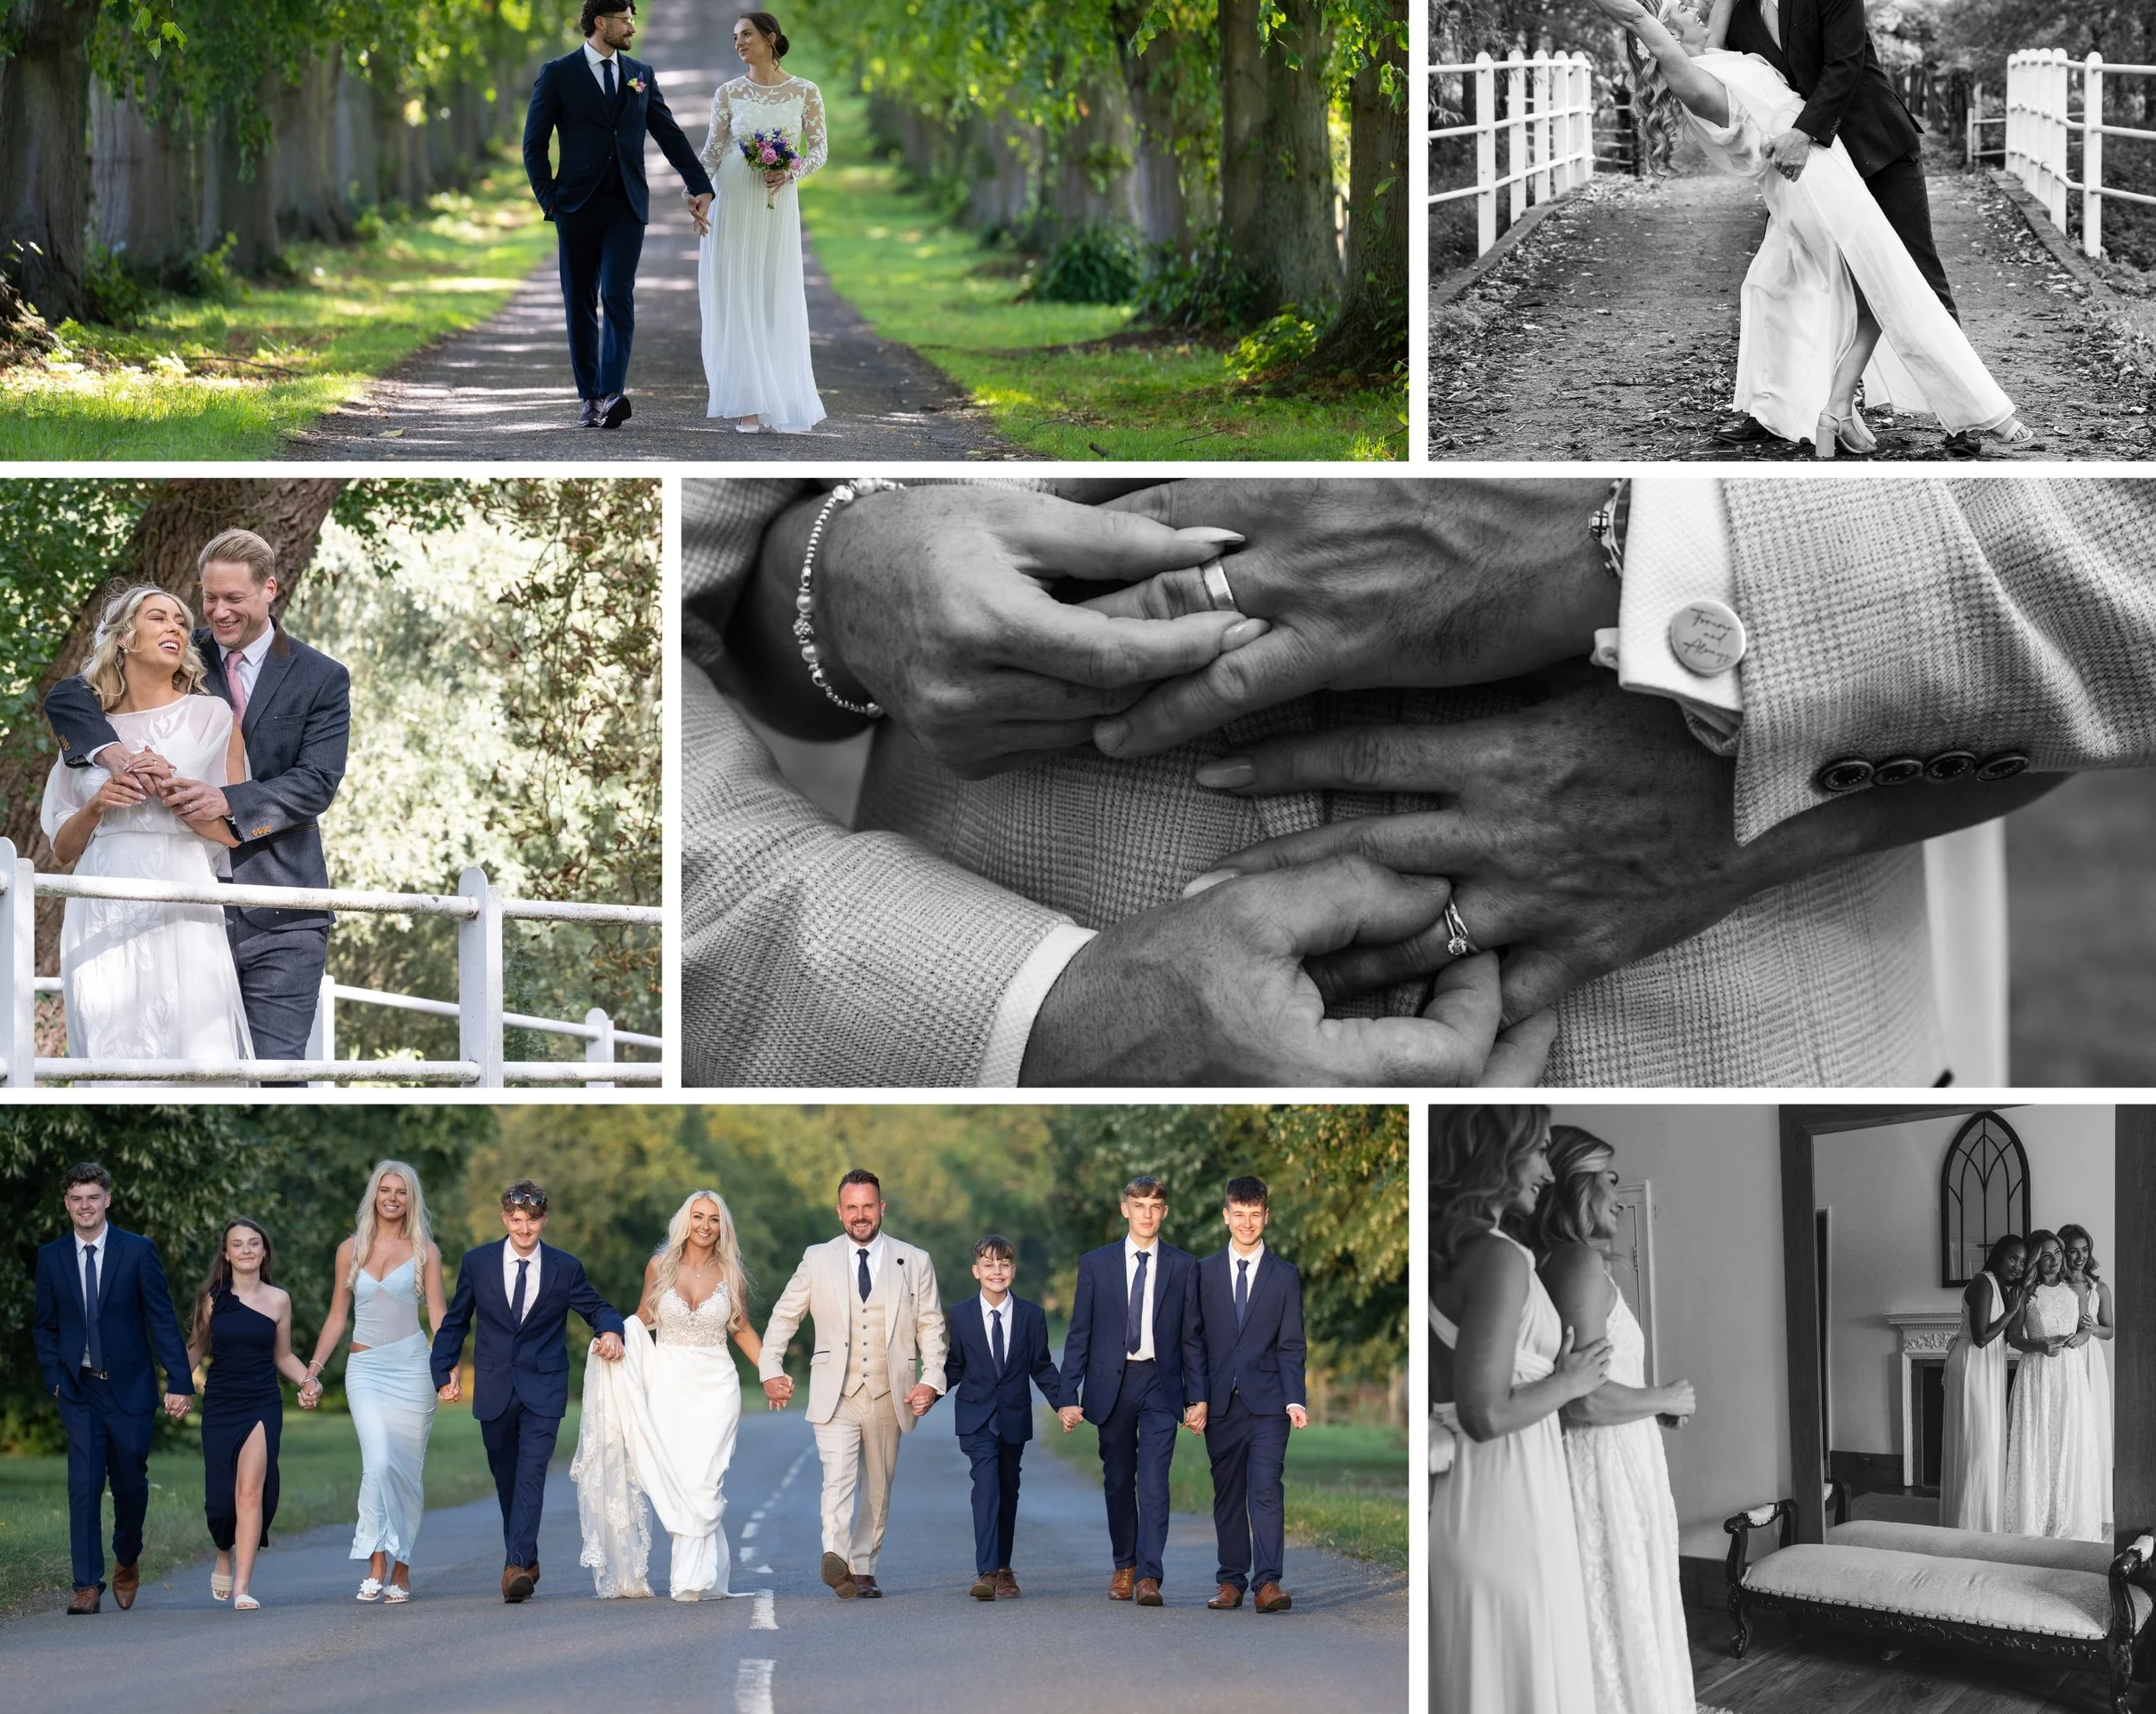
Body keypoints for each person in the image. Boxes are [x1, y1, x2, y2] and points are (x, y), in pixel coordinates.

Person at [681, 476, 2137, 1088]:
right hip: (973, 1030)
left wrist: (1634, 553)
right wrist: (839, 574)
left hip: (1744, 1041)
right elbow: (678, 577)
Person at [1529, 0, 2030, 458]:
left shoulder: (1711, 59)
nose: (1698, 6)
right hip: (1815, 179)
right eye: (1682, 9)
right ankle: (1935, 410)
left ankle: (1833, 409)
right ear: (1665, 35)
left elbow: (1723, 1)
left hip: (1811, 175)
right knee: (1886, 281)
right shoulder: (1690, 78)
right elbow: (1636, 16)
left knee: (1807, 287)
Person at [44, 527, 352, 1080]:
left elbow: (316, 783)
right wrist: (113, 755)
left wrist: (224, 800)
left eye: (233, 598)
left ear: (269, 590)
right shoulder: (180, 653)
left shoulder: (321, 677)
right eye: (210, 598)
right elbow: (69, 696)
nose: (218, 612)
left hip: (277, 905)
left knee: (274, 1078)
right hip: (176, 904)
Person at [1682, 0, 1986, 453]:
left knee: (1917, 272)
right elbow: (1720, 70)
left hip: (1874, 147)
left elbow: (1844, 65)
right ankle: (1773, 410)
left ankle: (1965, 418)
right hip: (1812, 175)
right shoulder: (1741, 8)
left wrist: (1804, 133)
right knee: (1782, 282)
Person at [1430, 1106, 1606, 1714]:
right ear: (1496, 1151)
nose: (1548, 1173)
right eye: (1538, 1150)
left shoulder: (1454, 1253)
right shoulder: (1497, 1258)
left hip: (1480, 1499)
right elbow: (1484, 1414)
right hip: (1506, 1500)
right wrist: (1572, 1379)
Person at [37, 584, 252, 1077]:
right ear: (123, 638)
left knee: (190, 1047)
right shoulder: (89, 731)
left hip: (182, 896)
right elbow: (62, 849)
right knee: (108, 1045)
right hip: (101, 900)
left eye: (181, 622)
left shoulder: (212, 716)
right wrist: (98, 804)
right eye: (159, 618)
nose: (175, 627)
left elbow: (232, 832)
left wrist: (172, 789)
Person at [1533, 1128, 1699, 1714]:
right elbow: (1583, 1402)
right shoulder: (1577, 1262)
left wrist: (1653, 1405)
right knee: (1623, 1610)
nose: (1621, 1197)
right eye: (1608, 1179)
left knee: (1628, 1609)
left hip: (1622, 1459)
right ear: (1576, 1184)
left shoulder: (1569, 1261)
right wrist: (1665, 1396)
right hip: (1604, 1471)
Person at [523, 0, 715, 430]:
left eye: (632, 20)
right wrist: (550, 198)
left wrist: (699, 185)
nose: (631, 27)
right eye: (625, 20)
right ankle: (589, 397)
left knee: (617, 295)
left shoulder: (640, 74)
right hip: (575, 206)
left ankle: (611, 394)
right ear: (600, 23)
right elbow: (534, 144)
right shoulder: (558, 73)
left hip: (627, 206)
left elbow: (668, 134)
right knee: (579, 301)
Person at [430, 1179, 628, 1602]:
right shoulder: (478, 1263)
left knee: (531, 1476)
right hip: (494, 1388)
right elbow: (456, 1320)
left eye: (532, 1221)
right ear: (505, 1218)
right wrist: (443, 1368)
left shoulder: (565, 1268)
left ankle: (515, 1567)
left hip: (545, 1388)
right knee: (507, 1479)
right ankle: (527, 1559)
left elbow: (598, 1308)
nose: (525, 1229)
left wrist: (611, 1330)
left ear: (544, 1220)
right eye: (517, 1220)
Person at [758, 1169, 947, 1599]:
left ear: (881, 1208)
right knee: (837, 1478)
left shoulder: (914, 1260)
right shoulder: (817, 1258)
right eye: (851, 1208)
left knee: (878, 1487)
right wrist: (770, 1368)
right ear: (839, 1212)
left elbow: (931, 1326)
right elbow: (785, 1315)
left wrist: (932, 1380)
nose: (860, 1215)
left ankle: (863, 1566)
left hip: (891, 1390)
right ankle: (836, 1558)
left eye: (867, 1206)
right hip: (836, 1392)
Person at [573, 1190, 767, 1600]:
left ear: (723, 1227)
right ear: (685, 1222)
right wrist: (613, 1335)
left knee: (706, 1478)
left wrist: (771, 1373)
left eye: (713, 1219)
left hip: (717, 1387)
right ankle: (704, 1575)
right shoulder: (659, 1266)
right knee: (680, 1478)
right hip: (670, 1386)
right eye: (698, 1217)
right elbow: (643, 1318)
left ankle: (690, 1579)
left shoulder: (731, 1273)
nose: (705, 1226)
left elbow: (741, 1328)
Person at [30, 1162, 194, 1615]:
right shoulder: (51, 1257)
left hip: (130, 1389)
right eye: (76, 1199)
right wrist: (55, 1379)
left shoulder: (138, 1251)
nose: (85, 1206)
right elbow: (44, 1326)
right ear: (67, 1203)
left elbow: (162, 1319)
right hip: (78, 1389)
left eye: (93, 1197)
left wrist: (179, 1380)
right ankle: (86, 1585)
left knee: (130, 1483)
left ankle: (127, 1556)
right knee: (83, 1485)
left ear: (107, 1200)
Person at [1055, 1175, 1206, 1606]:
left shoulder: (1183, 1266)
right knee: (1119, 1479)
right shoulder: (1096, 1264)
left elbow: (1192, 1337)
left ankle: (1149, 1575)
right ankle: (1125, 1565)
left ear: (1165, 1212)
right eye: (1139, 1206)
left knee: (1155, 1480)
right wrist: (1067, 1395)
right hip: (1112, 1385)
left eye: (1155, 1207)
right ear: (1125, 1209)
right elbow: (1079, 1333)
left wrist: (1198, 1397)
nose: (1146, 1215)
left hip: (1161, 1384)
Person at [302, 1160, 447, 1604]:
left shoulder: (426, 1251)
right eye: (385, 1190)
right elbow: (336, 1317)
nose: (392, 1198)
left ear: (410, 1199)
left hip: (413, 1368)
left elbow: (439, 1315)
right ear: (374, 1195)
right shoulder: (351, 1249)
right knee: (378, 1463)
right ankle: (376, 1560)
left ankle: (402, 1566)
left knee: (406, 1471)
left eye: (401, 1192)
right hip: (365, 1368)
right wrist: (313, 1370)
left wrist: (448, 1367)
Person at [697, 11, 828, 434]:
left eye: (746, 34)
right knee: (737, 293)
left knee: (772, 292)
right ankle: (747, 403)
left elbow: (819, 150)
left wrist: (792, 171)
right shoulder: (728, 92)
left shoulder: (805, 91)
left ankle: (777, 396)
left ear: (771, 38)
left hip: (777, 199)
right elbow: (713, 151)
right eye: (735, 37)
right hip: (733, 198)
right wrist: (696, 191)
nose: (739, 42)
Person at [1192, 1176, 1307, 1614]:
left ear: (1266, 1217)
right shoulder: (1203, 1272)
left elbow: (1292, 1345)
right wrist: (1195, 1398)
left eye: (1254, 1215)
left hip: (1269, 1404)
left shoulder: (1285, 1275)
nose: (1246, 1223)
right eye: (1238, 1214)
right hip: (1220, 1403)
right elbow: (1194, 1342)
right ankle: (1230, 1582)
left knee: (1265, 1489)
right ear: (1226, 1216)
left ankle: (1268, 1583)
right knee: (1227, 1493)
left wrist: (1295, 1399)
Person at [188, 1217, 315, 1610]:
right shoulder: (211, 1298)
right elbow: (195, 1347)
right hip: (220, 1403)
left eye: (253, 1243)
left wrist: (309, 1381)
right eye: (237, 1244)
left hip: (262, 1401)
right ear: (226, 1254)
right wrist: (177, 1386)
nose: (246, 1250)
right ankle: (223, 1550)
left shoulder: (279, 1300)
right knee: (220, 1501)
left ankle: (243, 1586)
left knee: (250, 1491)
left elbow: (283, 1355)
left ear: (264, 1251)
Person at [940, 1233, 1062, 1601]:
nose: (997, 1271)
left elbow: (1042, 1367)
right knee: (987, 1487)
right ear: (976, 1270)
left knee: (1008, 1491)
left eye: (1004, 1264)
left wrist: (1064, 1404)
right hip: (975, 1417)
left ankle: (1004, 1567)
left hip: (1013, 1419)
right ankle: (987, 1572)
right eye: (989, 1264)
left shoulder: (1031, 1316)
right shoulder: (961, 1314)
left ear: (1013, 1270)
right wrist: (928, 1392)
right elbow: (955, 1365)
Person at [2004, 1230, 2104, 1540]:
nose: (2054, 1260)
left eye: (2057, 1253)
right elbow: (2013, 1337)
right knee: (2039, 1439)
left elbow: (2086, 1329)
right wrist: (2040, 1347)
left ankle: (2065, 1516)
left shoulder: (2076, 1289)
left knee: (2067, 1437)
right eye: (2046, 1255)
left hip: (2070, 1372)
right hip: (2037, 1370)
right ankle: (2036, 1517)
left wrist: (2080, 1338)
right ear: (2036, 1259)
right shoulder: (2026, 1292)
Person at [1941, 1233, 2027, 1533]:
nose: (2018, 1266)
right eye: (2013, 1258)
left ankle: (1986, 1518)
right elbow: (1981, 1337)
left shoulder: (2002, 1287)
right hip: (1973, 1363)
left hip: (1989, 1363)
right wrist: (2011, 1311)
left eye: (2023, 1262)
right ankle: (1969, 1523)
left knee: (1988, 1438)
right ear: (1999, 1255)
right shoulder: (1983, 1283)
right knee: (1976, 1438)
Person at [2059, 1223, 2114, 1535]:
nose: (2080, 1257)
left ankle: (2095, 1506)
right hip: (2065, 1358)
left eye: (2084, 1250)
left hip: (2090, 1359)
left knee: (2092, 1426)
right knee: (2067, 1426)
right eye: (2073, 1250)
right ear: (2062, 1252)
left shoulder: (2099, 1288)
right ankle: (2066, 1504)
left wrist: (2092, 1329)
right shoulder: (2054, 1285)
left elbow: (2109, 1331)